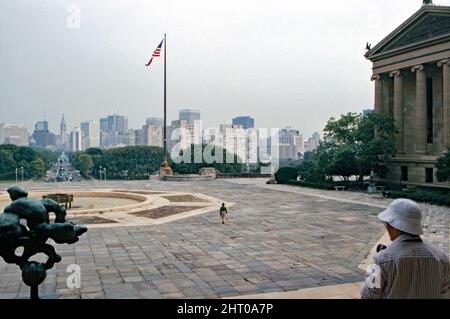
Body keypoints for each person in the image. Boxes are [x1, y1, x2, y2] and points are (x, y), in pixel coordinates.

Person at [361, 198, 450, 299]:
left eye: (386, 224)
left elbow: (368, 296)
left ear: (391, 225)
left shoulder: (380, 260)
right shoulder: (441, 258)